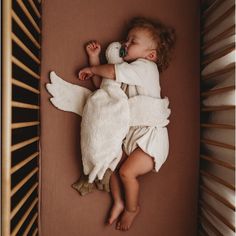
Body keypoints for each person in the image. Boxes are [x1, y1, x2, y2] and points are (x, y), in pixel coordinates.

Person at [78, 17, 176, 231]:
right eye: (126, 40)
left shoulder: (146, 68)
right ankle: (119, 202)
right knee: (112, 164)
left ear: (151, 55)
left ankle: (132, 208)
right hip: (131, 137)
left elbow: (111, 72)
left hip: (150, 138)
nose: (125, 44)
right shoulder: (125, 70)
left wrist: (95, 69)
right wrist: (94, 59)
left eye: (133, 41)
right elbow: (105, 87)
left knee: (126, 173)